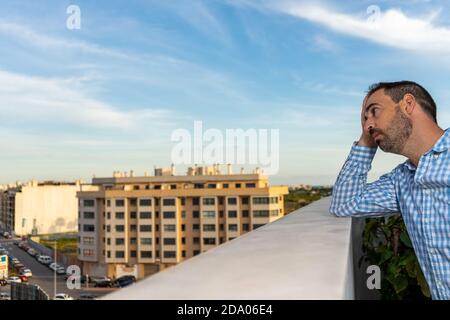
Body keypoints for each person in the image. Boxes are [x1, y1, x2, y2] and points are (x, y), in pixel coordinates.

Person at [330, 81, 449, 300]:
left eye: (374, 111)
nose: (368, 125)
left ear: (408, 104)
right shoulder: (401, 180)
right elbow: (344, 204)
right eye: (365, 120)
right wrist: (367, 140)